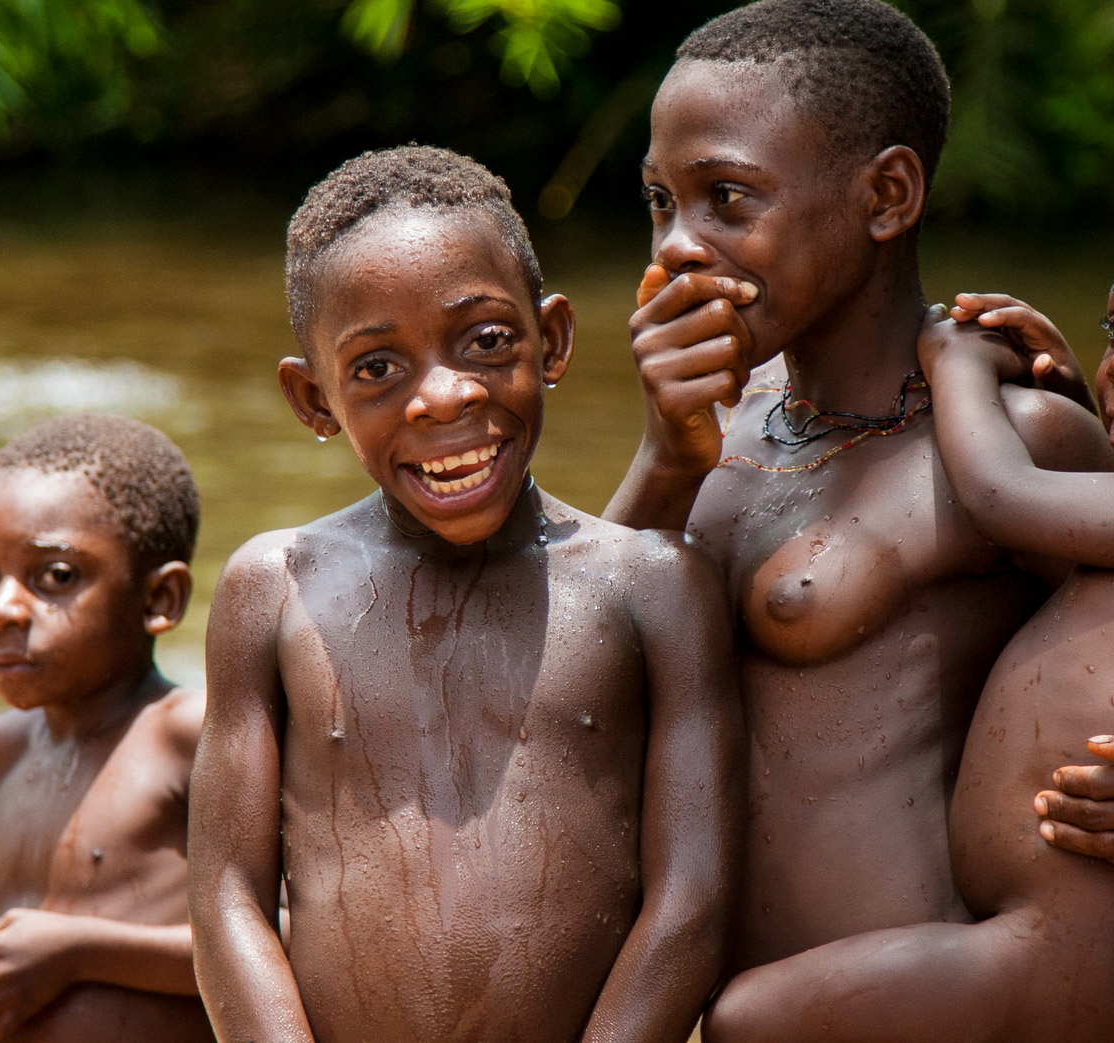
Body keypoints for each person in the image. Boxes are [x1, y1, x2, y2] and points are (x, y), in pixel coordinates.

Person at [602, 0, 1114, 1026]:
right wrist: (663, 458)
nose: (677, 246)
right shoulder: (717, 429)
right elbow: (567, 692)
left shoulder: (1022, 440)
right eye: (657, 202)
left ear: (888, 195)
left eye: (726, 197)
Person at [705, 170, 1114, 1041]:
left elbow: (1001, 493)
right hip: (1110, 947)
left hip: (1056, 952)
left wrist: (958, 367)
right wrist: (1074, 402)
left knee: (746, 1020)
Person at [188, 145, 743, 1043]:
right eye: (376, 367)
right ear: (313, 400)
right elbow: (226, 899)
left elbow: (692, 902)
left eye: (486, 341)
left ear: (553, 339)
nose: (443, 396)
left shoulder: (656, 589)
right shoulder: (274, 589)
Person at [0, 413, 212, 1043]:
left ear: (158, 600)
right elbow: (17, 929)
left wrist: (79, 952)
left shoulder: (188, 737)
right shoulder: (0, 750)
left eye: (56, 576)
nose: (2, 610)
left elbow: (300, 940)